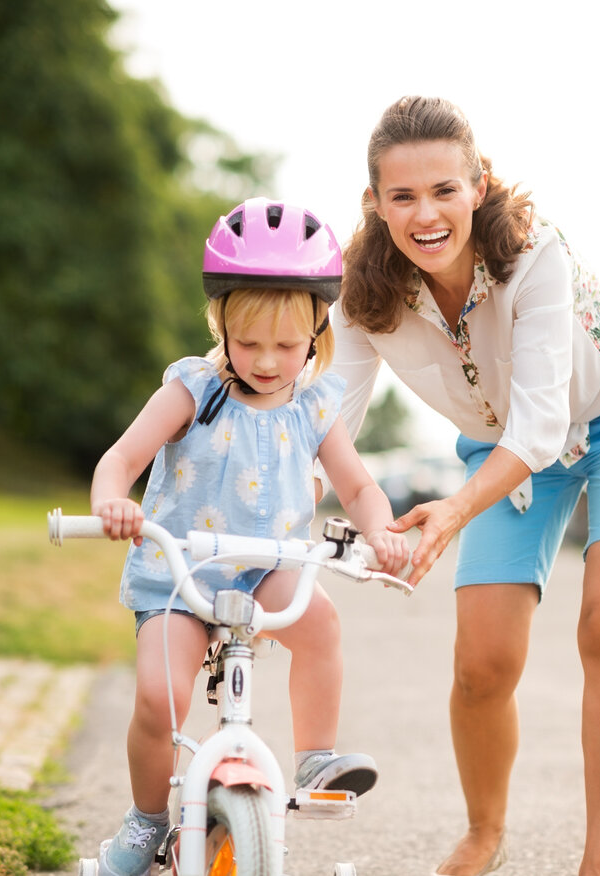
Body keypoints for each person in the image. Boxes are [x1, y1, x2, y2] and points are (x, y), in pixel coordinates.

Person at [332, 96, 600, 876]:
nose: (426, 214)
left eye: (444, 190)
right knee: (482, 666)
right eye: (403, 196)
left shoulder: (534, 254)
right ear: (376, 203)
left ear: (479, 185)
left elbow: (538, 426)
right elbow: (329, 425)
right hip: (507, 450)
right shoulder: (362, 295)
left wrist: (451, 513)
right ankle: (485, 832)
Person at [88, 197, 410, 876]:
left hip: (266, 570)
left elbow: (358, 488)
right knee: (159, 695)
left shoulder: (316, 406)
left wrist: (381, 531)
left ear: (318, 331)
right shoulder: (193, 388)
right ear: (222, 323)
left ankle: (317, 755)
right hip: (181, 573)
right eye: (249, 342)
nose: (267, 361)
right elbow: (121, 459)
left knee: (319, 620)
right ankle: (148, 823)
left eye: (287, 345)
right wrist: (111, 502)